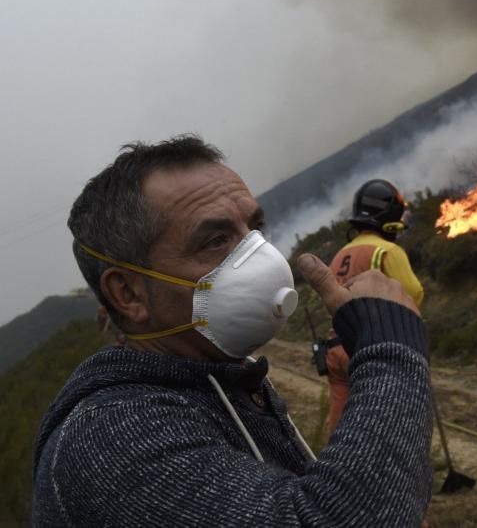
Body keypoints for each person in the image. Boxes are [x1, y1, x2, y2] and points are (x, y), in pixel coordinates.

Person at [32, 136, 433, 527]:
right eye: (217, 240)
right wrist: (389, 345)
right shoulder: (109, 439)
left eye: (255, 229)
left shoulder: (213, 374)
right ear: (128, 294)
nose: (262, 259)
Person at [324, 179, 425, 435]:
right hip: (372, 349)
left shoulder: (340, 255)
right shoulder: (387, 250)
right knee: (385, 425)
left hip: (336, 350)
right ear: (390, 217)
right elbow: (413, 293)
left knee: (341, 425)